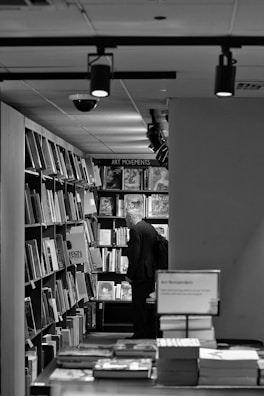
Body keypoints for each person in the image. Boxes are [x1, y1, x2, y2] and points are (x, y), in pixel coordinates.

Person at [125, 210, 157, 339]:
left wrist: (130, 275)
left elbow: (135, 255)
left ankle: (139, 334)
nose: (126, 222)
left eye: (126, 219)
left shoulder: (135, 230)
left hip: (139, 274)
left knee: (139, 306)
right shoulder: (149, 228)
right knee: (147, 304)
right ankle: (148, 332)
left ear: (131, 218)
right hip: (149, 272)